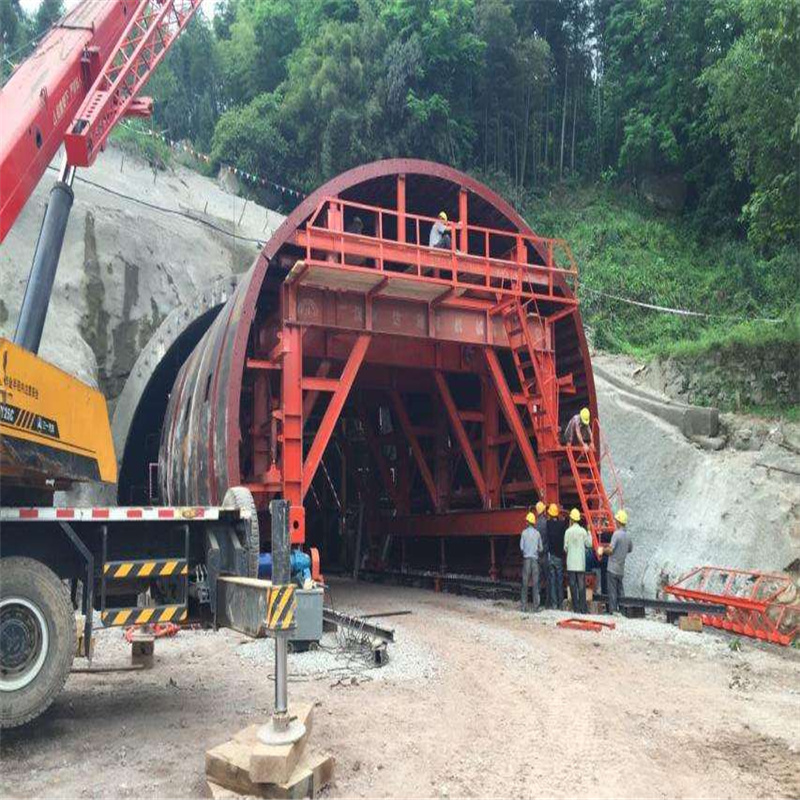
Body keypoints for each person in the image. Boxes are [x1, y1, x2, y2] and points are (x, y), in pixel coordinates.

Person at [602, 509, 632, 614]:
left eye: (616, 520)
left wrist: (602, 550)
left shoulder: (616, 534)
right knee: (620, 590)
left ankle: (613, 611)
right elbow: (630, 549)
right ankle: (623, 611)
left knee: (612, 591)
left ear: (619, 522)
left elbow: (610, 550)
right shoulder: (628, 535)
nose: (615, 522)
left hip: (612, 568)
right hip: (621, 568)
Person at [563, 508, 592, 613]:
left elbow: (565, 548)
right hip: (580, 563)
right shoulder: (583, 531)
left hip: (571, 563)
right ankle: (583, 609)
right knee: (581, 585)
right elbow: (589, 544)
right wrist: (589, 531)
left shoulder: (567, 532)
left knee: (572, 585)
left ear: (571, 519)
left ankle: (576, 608)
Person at [520, 511, 543, 612]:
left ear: (527, 522)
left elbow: (521, 547)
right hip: (534, 560)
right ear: (534, 522)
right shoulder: (537, 534)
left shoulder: (523, 533)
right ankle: (536, 607)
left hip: (526, 560)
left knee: (525, 583)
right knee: (536, 583)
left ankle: (523, 606)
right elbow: (541, 548)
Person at [546, 503, 567, 609]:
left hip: (551, 556)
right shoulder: (561, 525)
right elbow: (565, 523)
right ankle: (560, 604)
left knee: (552, 581)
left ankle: (554, 604)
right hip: (559, 557)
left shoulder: (548, 524)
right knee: (560, 581)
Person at [534, 501, 549, 608]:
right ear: (543, 511)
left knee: (538, 579)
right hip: (545, 553)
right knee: (548, 578)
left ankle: (537, 603)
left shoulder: (535, 525)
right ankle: (548, 602)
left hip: (537, 554)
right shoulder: (546, 523)